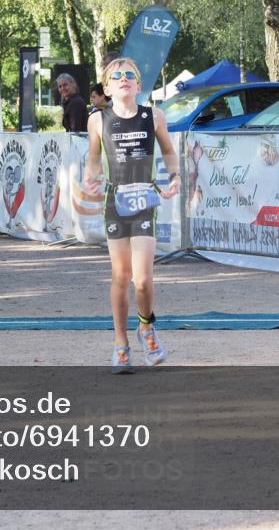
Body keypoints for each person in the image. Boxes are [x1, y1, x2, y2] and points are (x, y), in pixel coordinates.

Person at [83, 57, 181, 373]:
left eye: (130, 76)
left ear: (138, 85)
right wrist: (91, 178)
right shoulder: (98, 120)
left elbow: (167, 150)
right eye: (117, 76)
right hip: (115, 200)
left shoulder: (153, 116)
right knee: (121, 277)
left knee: (142, 280)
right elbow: (94, 159)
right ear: (107, 88)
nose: (124, 79)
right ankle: (120, 344)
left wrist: (174, 175)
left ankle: (146, 326)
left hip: (145, 198)